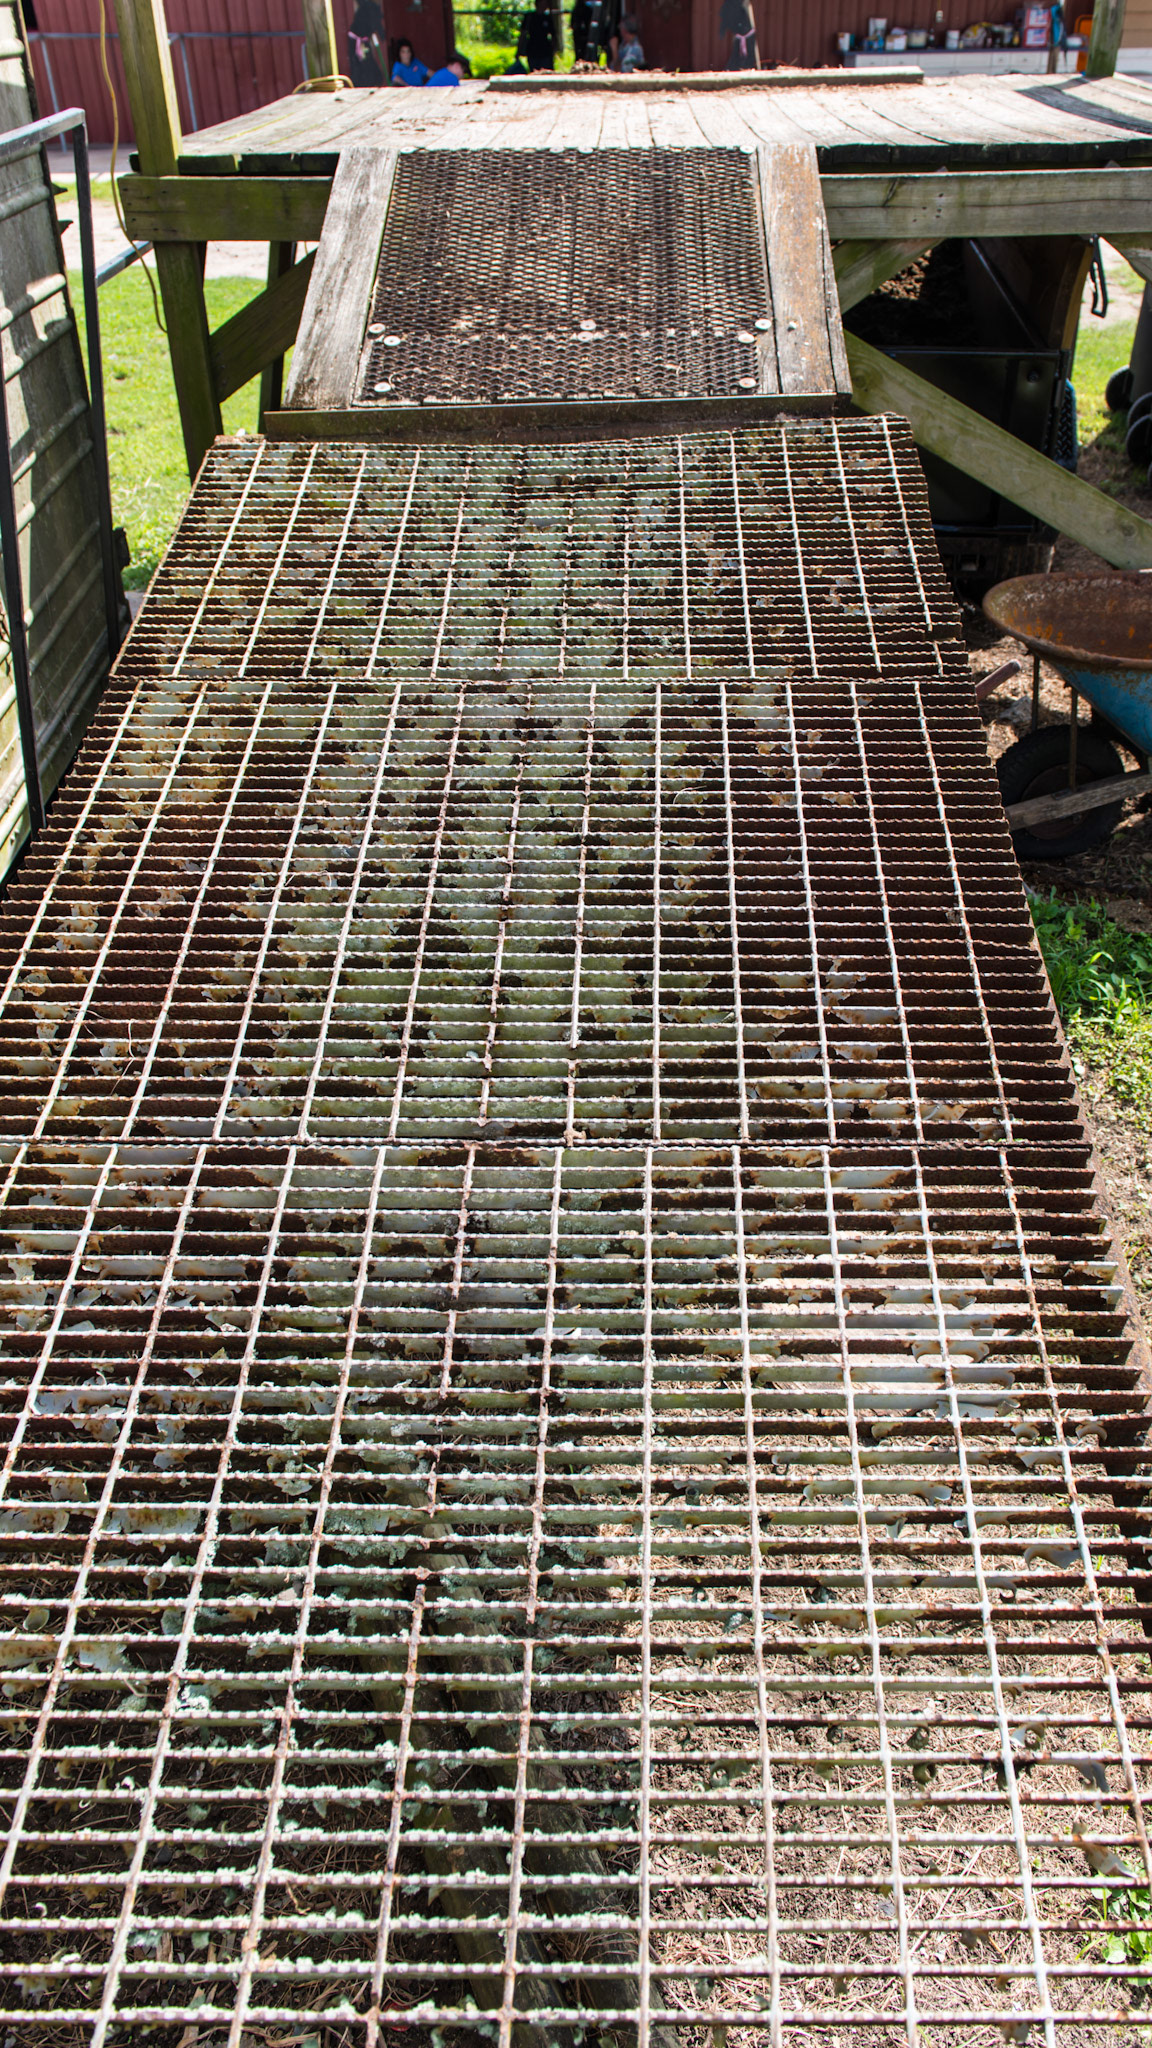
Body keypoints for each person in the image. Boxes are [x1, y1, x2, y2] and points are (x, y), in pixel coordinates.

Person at [346, 0, 385, 85]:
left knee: (372, 72)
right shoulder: (369, 7)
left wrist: (381, 34)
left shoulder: (373, 8)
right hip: (357, 41)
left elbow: (377, 24)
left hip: (362, 41)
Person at [516, 3, 556, 69]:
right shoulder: (530, 17)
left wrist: (554, 49)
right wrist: (519, 50)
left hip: (545, 51)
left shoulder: (547, 18)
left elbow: (553, 35)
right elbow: (523, 34)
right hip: (533, 50)